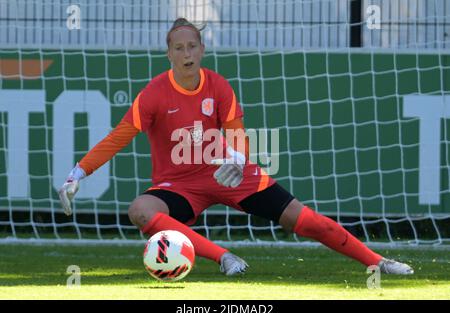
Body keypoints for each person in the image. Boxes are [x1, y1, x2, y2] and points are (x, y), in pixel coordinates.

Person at [59, 18, 413, 276]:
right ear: (168, 54)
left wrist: (238, 158)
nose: (187, 53)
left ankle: (378, 261)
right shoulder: (154, 93)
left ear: (203, 49)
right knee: (140, 210)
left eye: (193, 46)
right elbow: (118, 136)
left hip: (228, 173)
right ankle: (223, 256)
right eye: (179, 48)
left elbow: (236, 132)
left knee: (304, 221)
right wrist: (79, 172)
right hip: (179, 186)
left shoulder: (218, 86)